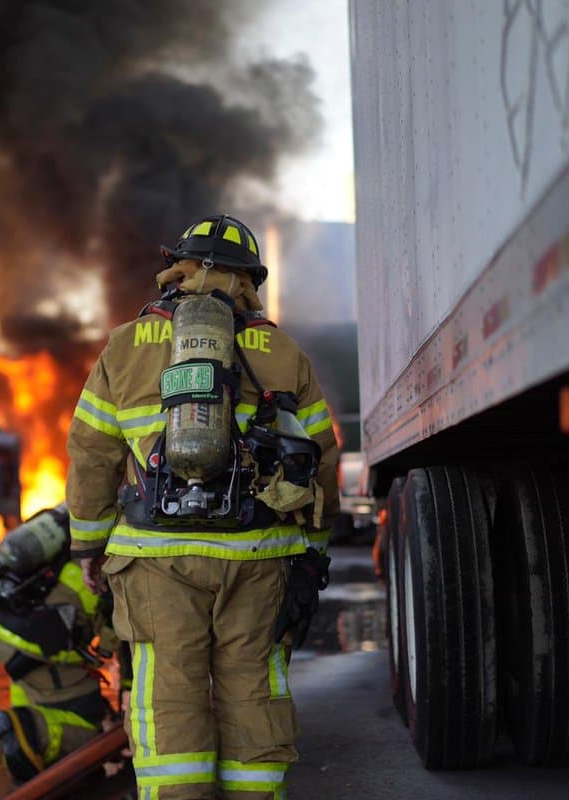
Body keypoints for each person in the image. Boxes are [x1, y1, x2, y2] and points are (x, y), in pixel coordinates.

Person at [65, 214, 340, 800]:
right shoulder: (280, 349)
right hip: (258, 556)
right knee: (252, 690)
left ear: (179, 268)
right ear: (248, 279)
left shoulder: (126, 345)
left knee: (169, 691)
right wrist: (313, 550)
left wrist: (88, 544)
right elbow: (322, 459)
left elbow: (91, 454)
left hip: (156, 558)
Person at [0, 505, 120, 784]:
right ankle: (32, 732)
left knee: (37, 678)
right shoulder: (120, 554)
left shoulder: (74, 523)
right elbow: (124, 632)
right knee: (88, 722)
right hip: (24, 633)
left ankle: (27, 762)